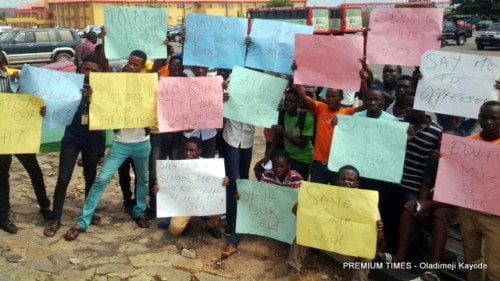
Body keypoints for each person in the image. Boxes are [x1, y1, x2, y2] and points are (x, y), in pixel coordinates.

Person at [63, 50, 152, 241]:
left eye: (136, 64)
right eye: (130, 62)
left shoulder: (149, 83)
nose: (131, 66)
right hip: (121, 143)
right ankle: (83, 220)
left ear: (142, 67)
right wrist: (92, 99)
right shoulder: (115, 82)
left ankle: (139, 211)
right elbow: (103, 98)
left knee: (143, 179)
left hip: (142, 142)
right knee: (102, 179)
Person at [378, 130, 463, 281]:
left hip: (454, 206)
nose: (441, 144)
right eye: (440, 141)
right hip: (433, 200)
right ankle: (401, 257)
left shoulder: (464, 163)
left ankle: (433, 269)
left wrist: (427, 205)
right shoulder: (434, 157)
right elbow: (426, 183)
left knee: (439, 215)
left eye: (446, 142)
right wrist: (421, 204)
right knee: (411, 206)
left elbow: (458, 197)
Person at [43, 54, 106, 237]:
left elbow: (109, 112)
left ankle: (89, 212)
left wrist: (93, 99)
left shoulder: (103, 89)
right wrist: (46, 109)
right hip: (71, 138)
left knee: (90, 178)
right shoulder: (69, 85)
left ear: (100, 71)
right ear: (80, 67)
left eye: (94, 70)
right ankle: (56, 218)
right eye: (86, 68)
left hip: (93, 139)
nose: (89, 73)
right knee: (63, 178)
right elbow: (54, 102)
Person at [287, 165, 383, 280]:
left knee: (368, 252)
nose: (346, 182)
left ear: (357, 183)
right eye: (342, 178)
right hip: (325, 241)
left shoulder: (367, 203)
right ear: (336, 180)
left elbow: (378, 241)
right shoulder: (323, 193)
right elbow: (296, 213)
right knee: (303, 232)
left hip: (350, 251)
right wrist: (300, 206)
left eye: (350, 180)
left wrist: (379, 231)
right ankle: (293, 268)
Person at [0, 56, 52, 234]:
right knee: (2, 177)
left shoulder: (17, 78)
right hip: (2, 137)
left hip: (19, 135)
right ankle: (3, 217)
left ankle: (45, 207)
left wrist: (39, 109)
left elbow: (34, 99)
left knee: (35, 172)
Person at [221, 150, 303, 259]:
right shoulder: (267, 174)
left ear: (288, 165)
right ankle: (232, 244)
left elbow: (300, 201)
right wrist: (242, 196)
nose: (278, 169)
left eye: (282, 166)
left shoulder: (297, 178)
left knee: (299, 221)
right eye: (275, 166)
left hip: (286, 213)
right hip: (268, 211)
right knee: (243, 211)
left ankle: (291, 251)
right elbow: (260, 195)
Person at [458, 100, 500, 281]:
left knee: (494, 267)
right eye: (484, 117)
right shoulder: (467, 143)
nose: (488, 121)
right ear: (478, 118)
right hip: (469, 211)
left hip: (495, 215)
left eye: (494, 118)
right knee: (472, 259)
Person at [156, 137, 228, 238]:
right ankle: (186, 222)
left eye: (192, 150)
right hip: (184, 204)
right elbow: (168, 186)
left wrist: (224, 181)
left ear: (199, 151)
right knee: (174, 229)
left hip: (202, 201)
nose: (188, 153)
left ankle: (210, 226)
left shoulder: (209, 166)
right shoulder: (175, 166)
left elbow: (218, 183)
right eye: (186, 150)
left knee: (218, 207)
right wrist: (159, 188)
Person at [294, 84, 357, 185]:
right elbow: (303, 96)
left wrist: (363, 81)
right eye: (328, 96)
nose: (330, 99)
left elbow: (366, 107)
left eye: (333, 96)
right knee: (316, 195)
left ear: (341, 98)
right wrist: (297, 74)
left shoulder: (347, 113)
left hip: (337, 165)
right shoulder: (320, 107)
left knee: (334, 196)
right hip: (318, 164)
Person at [267, 90, 315, 179]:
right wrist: (268, 156)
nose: (289, 104)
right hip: (288, 156)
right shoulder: (283, 113)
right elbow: (277, 137)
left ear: (298, 103)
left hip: (303, 159)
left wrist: (283, 132)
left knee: (297, 184)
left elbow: (302, 144)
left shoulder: (306, 117)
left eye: (292, 101)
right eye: (287, 101)